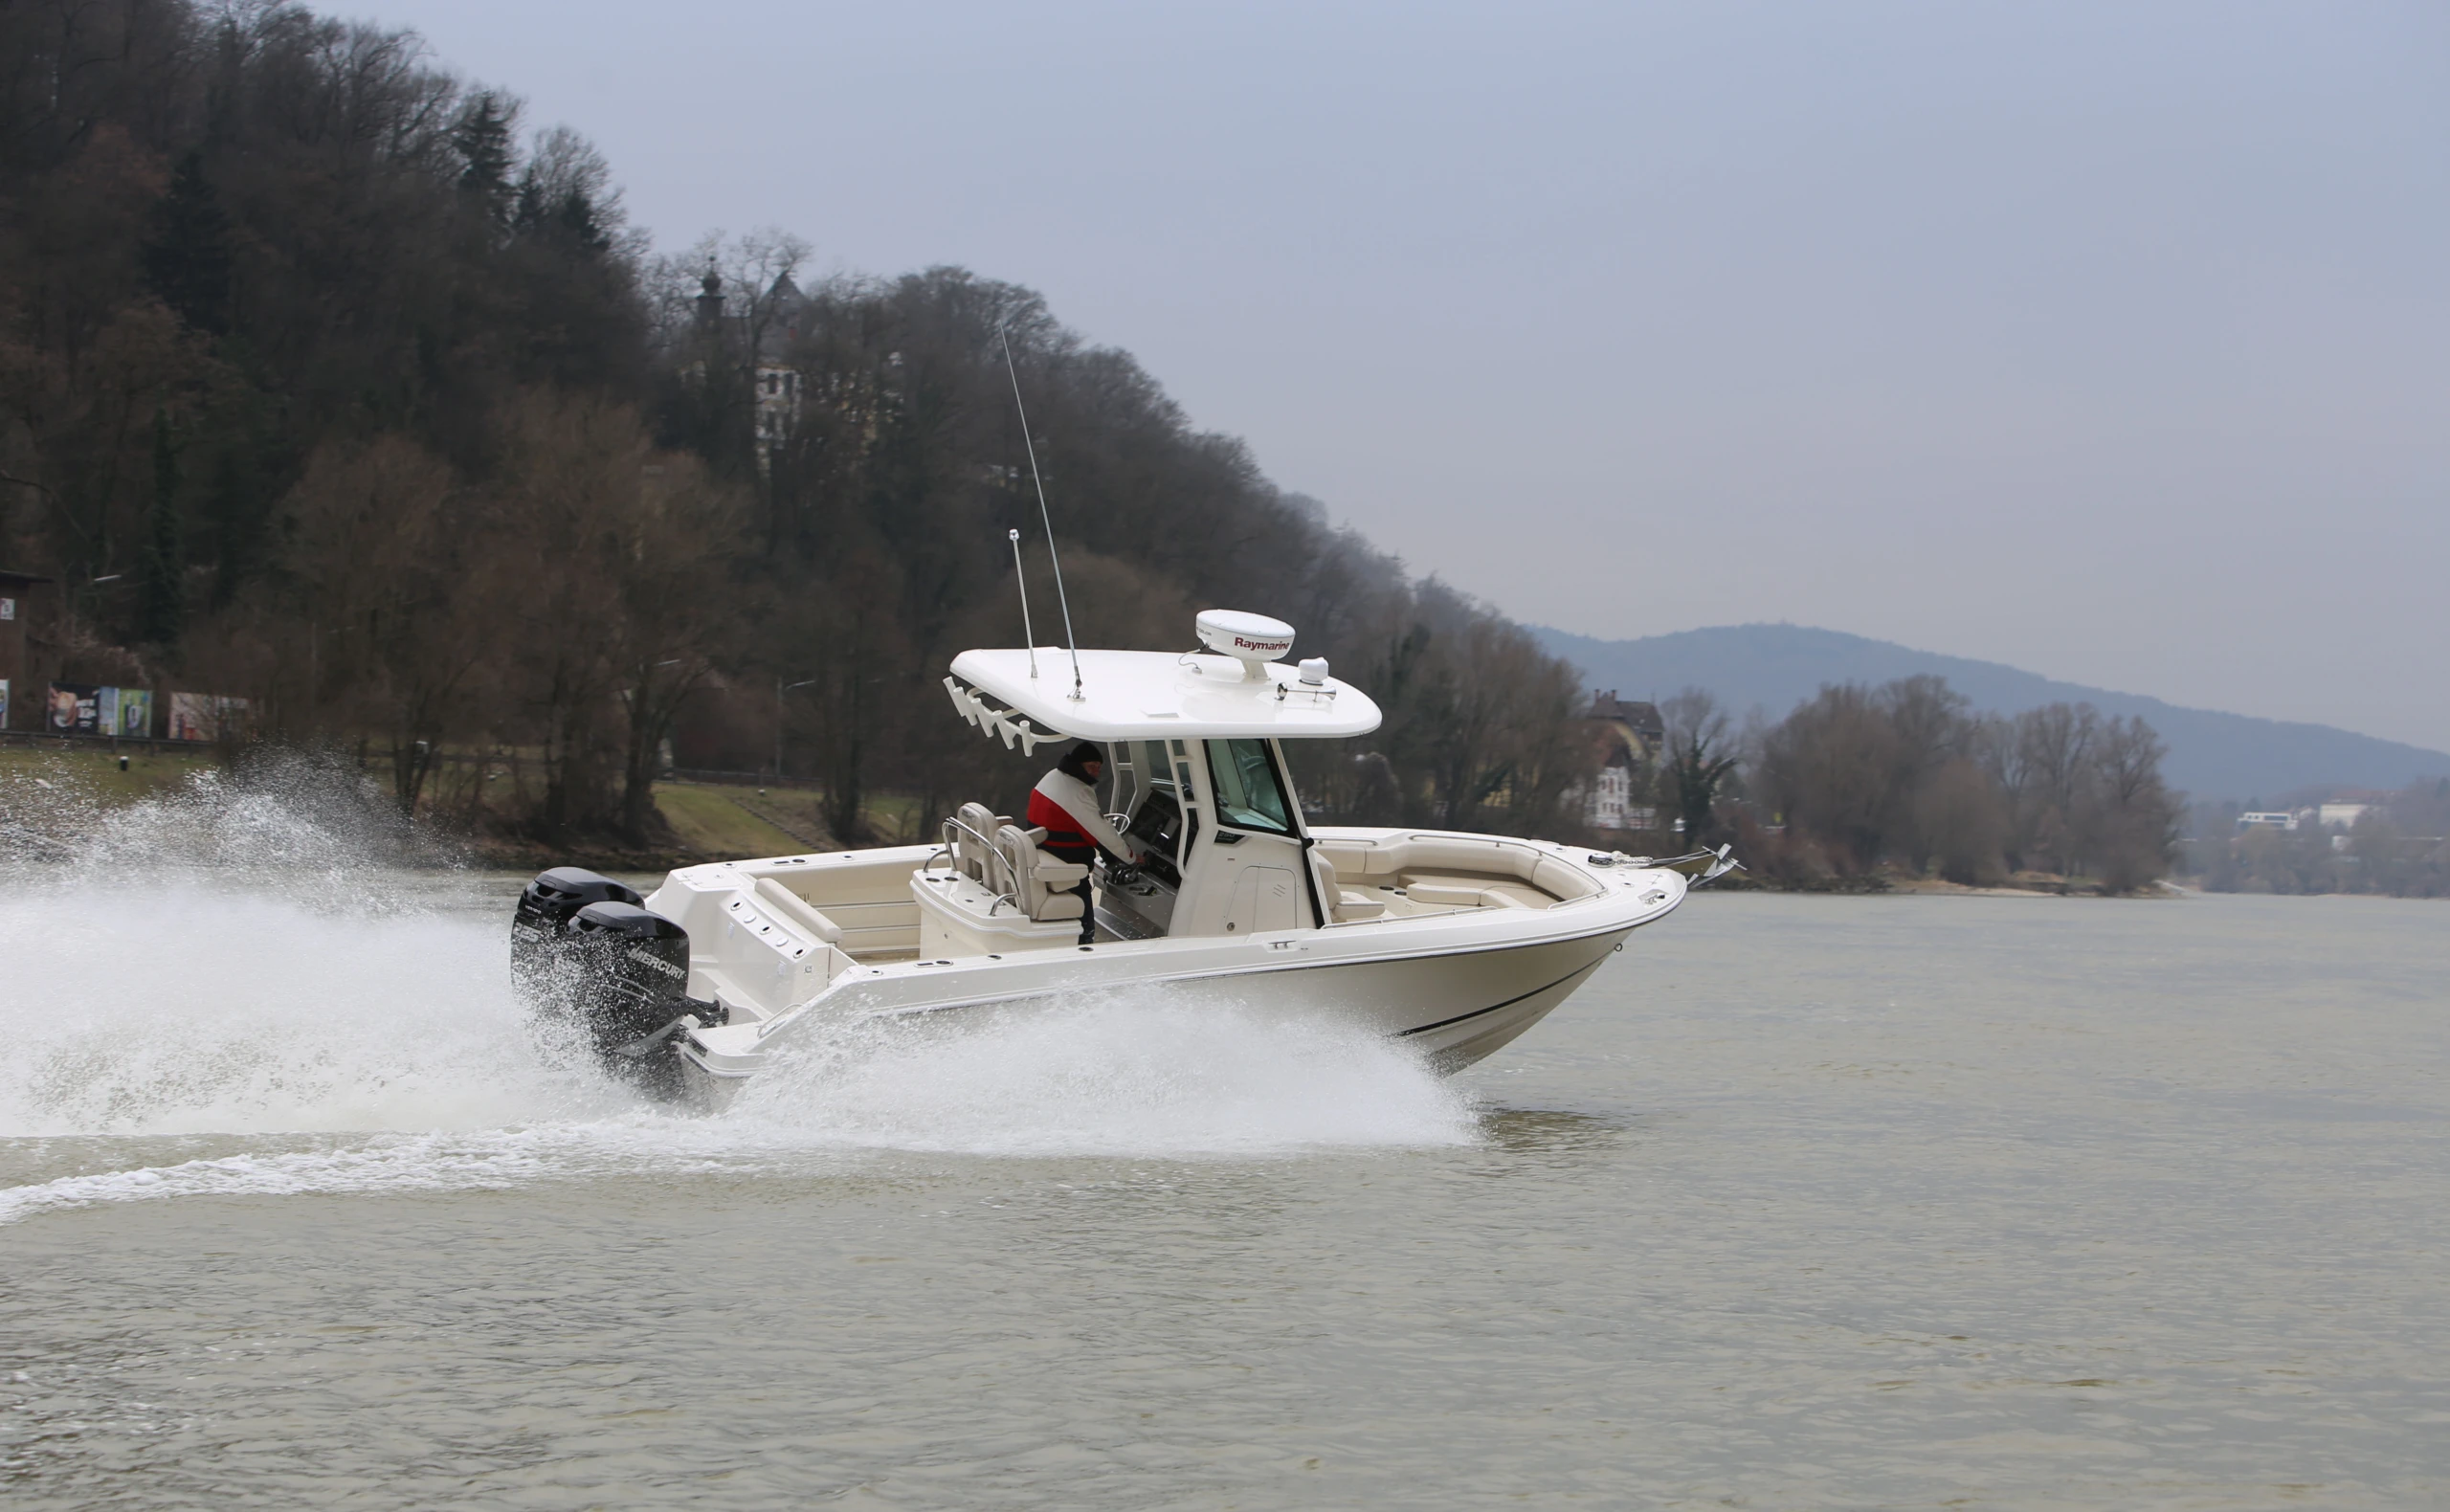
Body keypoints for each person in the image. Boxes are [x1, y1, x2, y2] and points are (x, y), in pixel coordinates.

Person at [1026, 741, 1134, 945]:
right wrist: (1131, 858)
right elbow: (1102, 835)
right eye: (1091, 766)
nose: (1095, 772)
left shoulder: (1053, 777)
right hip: (1065, 861)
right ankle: (1085, 940)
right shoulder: (1077, 790)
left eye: (1098, 768)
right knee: (1083, 888)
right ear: (1078, 764)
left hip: (1043, 849)